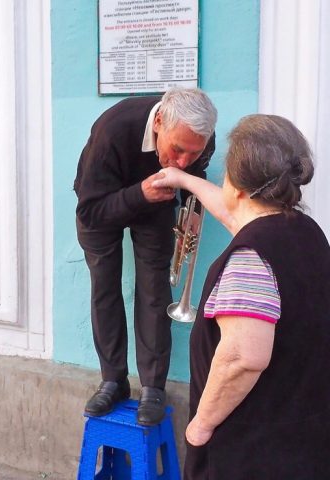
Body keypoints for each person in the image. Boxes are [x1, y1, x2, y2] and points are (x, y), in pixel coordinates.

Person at [152, 114, 330, 479]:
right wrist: (185, 179)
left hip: (252, 453)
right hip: (304, 439)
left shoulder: (251, 257)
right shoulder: (304, 230)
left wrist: (200, 425)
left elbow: (243, 358)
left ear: (237, 186)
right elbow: (239, 217)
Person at [74, 88, 218, 426]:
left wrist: (191, 208)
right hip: (100, 201)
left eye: (192, 154)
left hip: (156, 201)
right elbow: (90, 211)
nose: (183, 161)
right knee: (105, 287)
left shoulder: (201, 140)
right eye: (177, 149)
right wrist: (140, 194)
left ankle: (153, 387)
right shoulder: (112, 129)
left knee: (155, 291)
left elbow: (191, 180)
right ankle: (113, 380)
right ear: (158, 123)